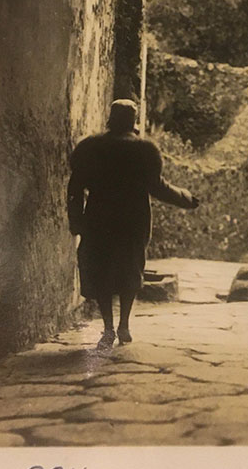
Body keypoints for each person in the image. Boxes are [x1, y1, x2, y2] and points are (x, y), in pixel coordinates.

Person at [67, 99, 200, 350]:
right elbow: (158, 187)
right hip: (133, 220)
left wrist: (77, 220)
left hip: (99, 219)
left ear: (111, 118)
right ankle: (124, 325)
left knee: (101, 272)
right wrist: (185, 198)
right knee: (130, 271)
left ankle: (108, 328)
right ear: (133, 120)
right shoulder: (145, 150)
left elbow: (75, 188)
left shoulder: (91, 147)